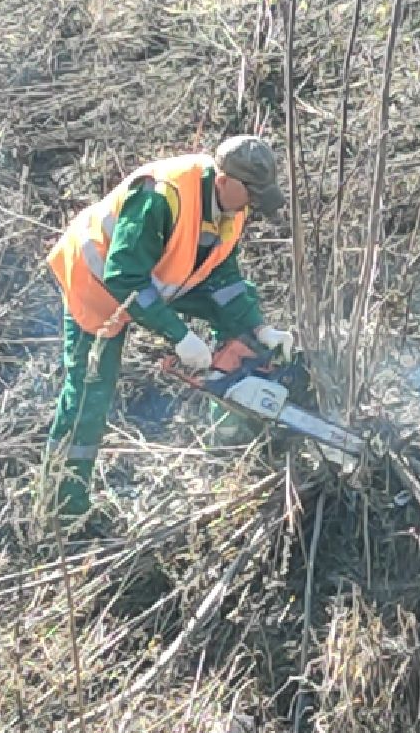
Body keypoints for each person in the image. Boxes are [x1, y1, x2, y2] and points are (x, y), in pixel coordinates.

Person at [41, 135, 296, 520]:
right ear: (226, 180)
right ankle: (61, 509)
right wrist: (179, 336)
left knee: (240, 318)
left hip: (159, 276)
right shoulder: (163, 195)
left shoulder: (233, 206)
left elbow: (222, 275)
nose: (253, 206)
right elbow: (124, 276)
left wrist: (259, 329)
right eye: (251, 194)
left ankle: (229, 446)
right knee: (90, 393)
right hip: (96, 282)